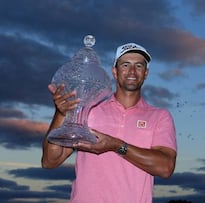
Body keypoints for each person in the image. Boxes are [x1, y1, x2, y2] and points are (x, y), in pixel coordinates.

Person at [42, 43, 177, 203]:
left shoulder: (160, 117)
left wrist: (115, 145)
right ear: (114, 71)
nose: (132, 71)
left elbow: (166, 167)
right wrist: (61, 113)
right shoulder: (89, 110)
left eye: (138, 65)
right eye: (125, 65)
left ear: (146, 73)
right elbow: (50, 161)